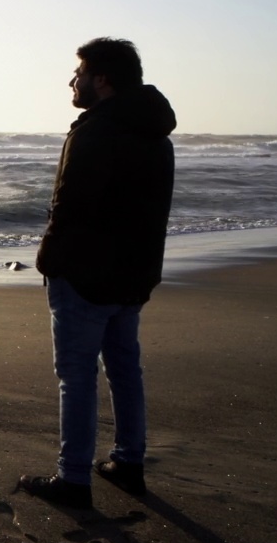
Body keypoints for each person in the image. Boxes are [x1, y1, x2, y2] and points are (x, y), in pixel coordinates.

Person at [20, 37, 176, 509]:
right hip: (133, 274)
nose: (73, 80)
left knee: (77, 375)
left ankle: (73, 480)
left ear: (102, 79)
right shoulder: (155, 134)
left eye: (80, 71)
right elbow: (155, 211)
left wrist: (49, 259)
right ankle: (128, 463)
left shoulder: (94, 132)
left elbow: (68, 208)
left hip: (85, 275)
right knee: (125, 369)